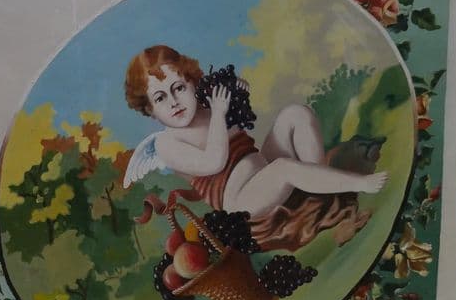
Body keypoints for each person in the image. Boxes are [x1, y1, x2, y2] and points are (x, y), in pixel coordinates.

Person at [122, 45, 386, 218]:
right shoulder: (167, 144)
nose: (173, 102)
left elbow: (242, 121)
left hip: (261, 170)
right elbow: (214, 162)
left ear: (191, 82)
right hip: (241, 202)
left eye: (178, 88)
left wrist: (238, 93)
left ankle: (317, 191)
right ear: (149, 110)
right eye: (160, 98)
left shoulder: (209, 105)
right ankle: (358, 183)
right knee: (283, 168)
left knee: (296, 113)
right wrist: (220, 114)